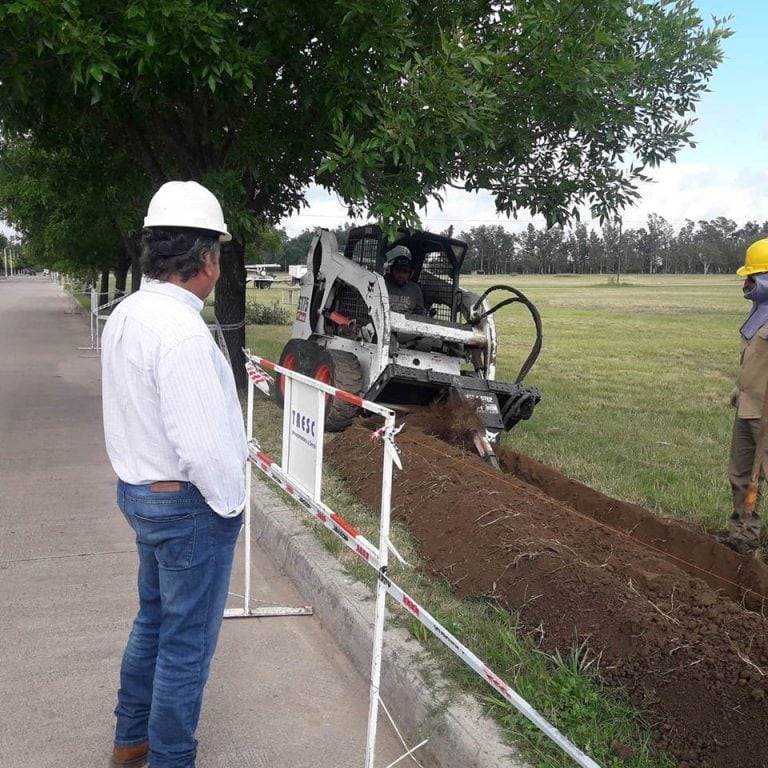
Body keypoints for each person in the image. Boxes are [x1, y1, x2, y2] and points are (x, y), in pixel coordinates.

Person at [101, 181, 248, 768]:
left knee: (154, 622)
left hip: (141, 493)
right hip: (187, 508)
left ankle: (130, 739)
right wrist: (231, 506)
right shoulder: (182, 333)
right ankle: (168, 757)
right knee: (186, 647)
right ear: (206, 258)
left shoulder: (130, 313)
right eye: (217, 252)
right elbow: (204, 449)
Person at [720, 238, 768, 556]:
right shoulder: (759, 313)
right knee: (741, 473)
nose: (746, 283)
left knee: (758, 474)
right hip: (748, 407)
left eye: (752, 277)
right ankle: (743, 531)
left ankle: (753, 535)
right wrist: (740, 389)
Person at [383, 245, 426, 315]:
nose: (401, 275)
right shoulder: (383, 285)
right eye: (398, 271)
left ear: (410, 274)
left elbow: (419, 314)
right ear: (392, 271)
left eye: (405, 272)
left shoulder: (415, 289)